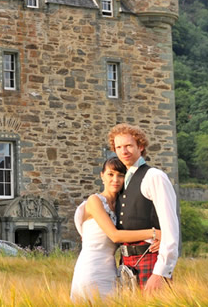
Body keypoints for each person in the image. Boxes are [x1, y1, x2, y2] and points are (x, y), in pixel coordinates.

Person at [70, 157, 161, 302]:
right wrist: (154, 233)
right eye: (110, 174)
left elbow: (132, 229)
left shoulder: (121, 205)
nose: (115, 179)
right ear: (102, 175)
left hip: (111, 270)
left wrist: (155, 241)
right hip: (91, 268)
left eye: (120, 175)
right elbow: (115, 236)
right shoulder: (95, 201)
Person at [108, 123, 180, 292]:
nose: (123, 151)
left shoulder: (154, 176)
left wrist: (161, 273)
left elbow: (170, 228)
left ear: (140, 146)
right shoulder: (122, 180)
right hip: (126, 263)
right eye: (119, 147)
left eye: (128, 146)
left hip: (151, 260)